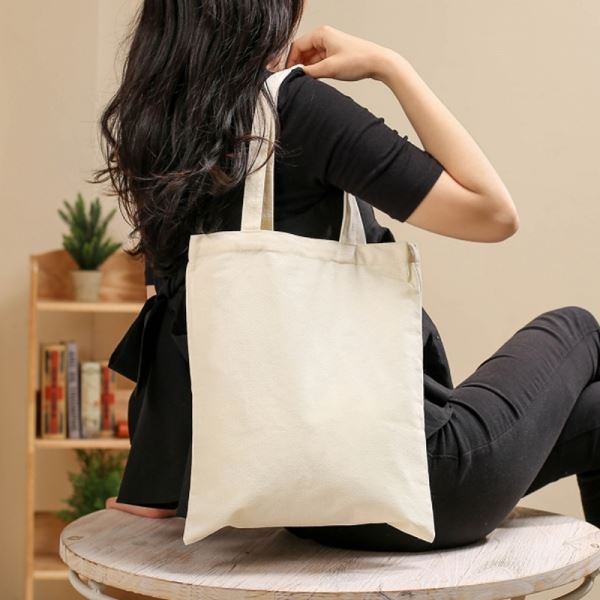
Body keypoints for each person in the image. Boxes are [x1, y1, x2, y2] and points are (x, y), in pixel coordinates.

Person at [94, 1, 600, 552]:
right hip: (416, 487)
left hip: (306, 500)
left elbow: (173, 313)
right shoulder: (294, 109)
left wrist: (152, 486)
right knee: (579, 327)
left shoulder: (161, 133)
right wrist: (390, 66)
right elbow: (493, 213)